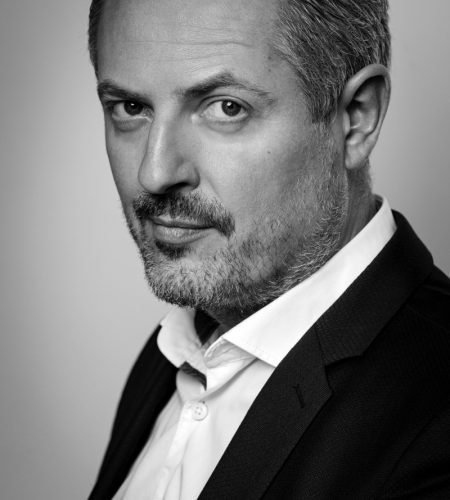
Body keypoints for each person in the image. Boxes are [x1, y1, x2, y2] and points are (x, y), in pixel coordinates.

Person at [87, 0, 450, 498]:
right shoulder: (175, 350)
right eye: (130, 108)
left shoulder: (436, 419)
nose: (155, 173)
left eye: (226, 108)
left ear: (356, 118)